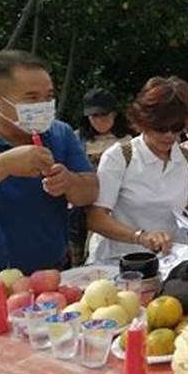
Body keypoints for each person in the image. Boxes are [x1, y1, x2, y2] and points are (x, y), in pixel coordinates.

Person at [86, 76, 188, 263]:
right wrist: (141, 237)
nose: (169, 135)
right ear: (143, 122)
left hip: (171, 261)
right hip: (120, 262)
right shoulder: (119, 157)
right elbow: (96, 218)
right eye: (161, 128)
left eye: (177, 127)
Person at [0, 50, 98, 273]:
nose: (43, 105)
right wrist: (4, 165)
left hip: (55, 272)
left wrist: (68, 182)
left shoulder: (59, 133)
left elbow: (89, 192)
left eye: (48, 97)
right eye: (32, 98)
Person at [69, 87, 132, 265]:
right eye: (93, 116)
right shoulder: (75, 139)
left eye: (104, 115)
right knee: (78, 262)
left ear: (115, 114)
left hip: (118, 208)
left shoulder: (129, 141)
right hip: (80, 210)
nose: (99, 120)